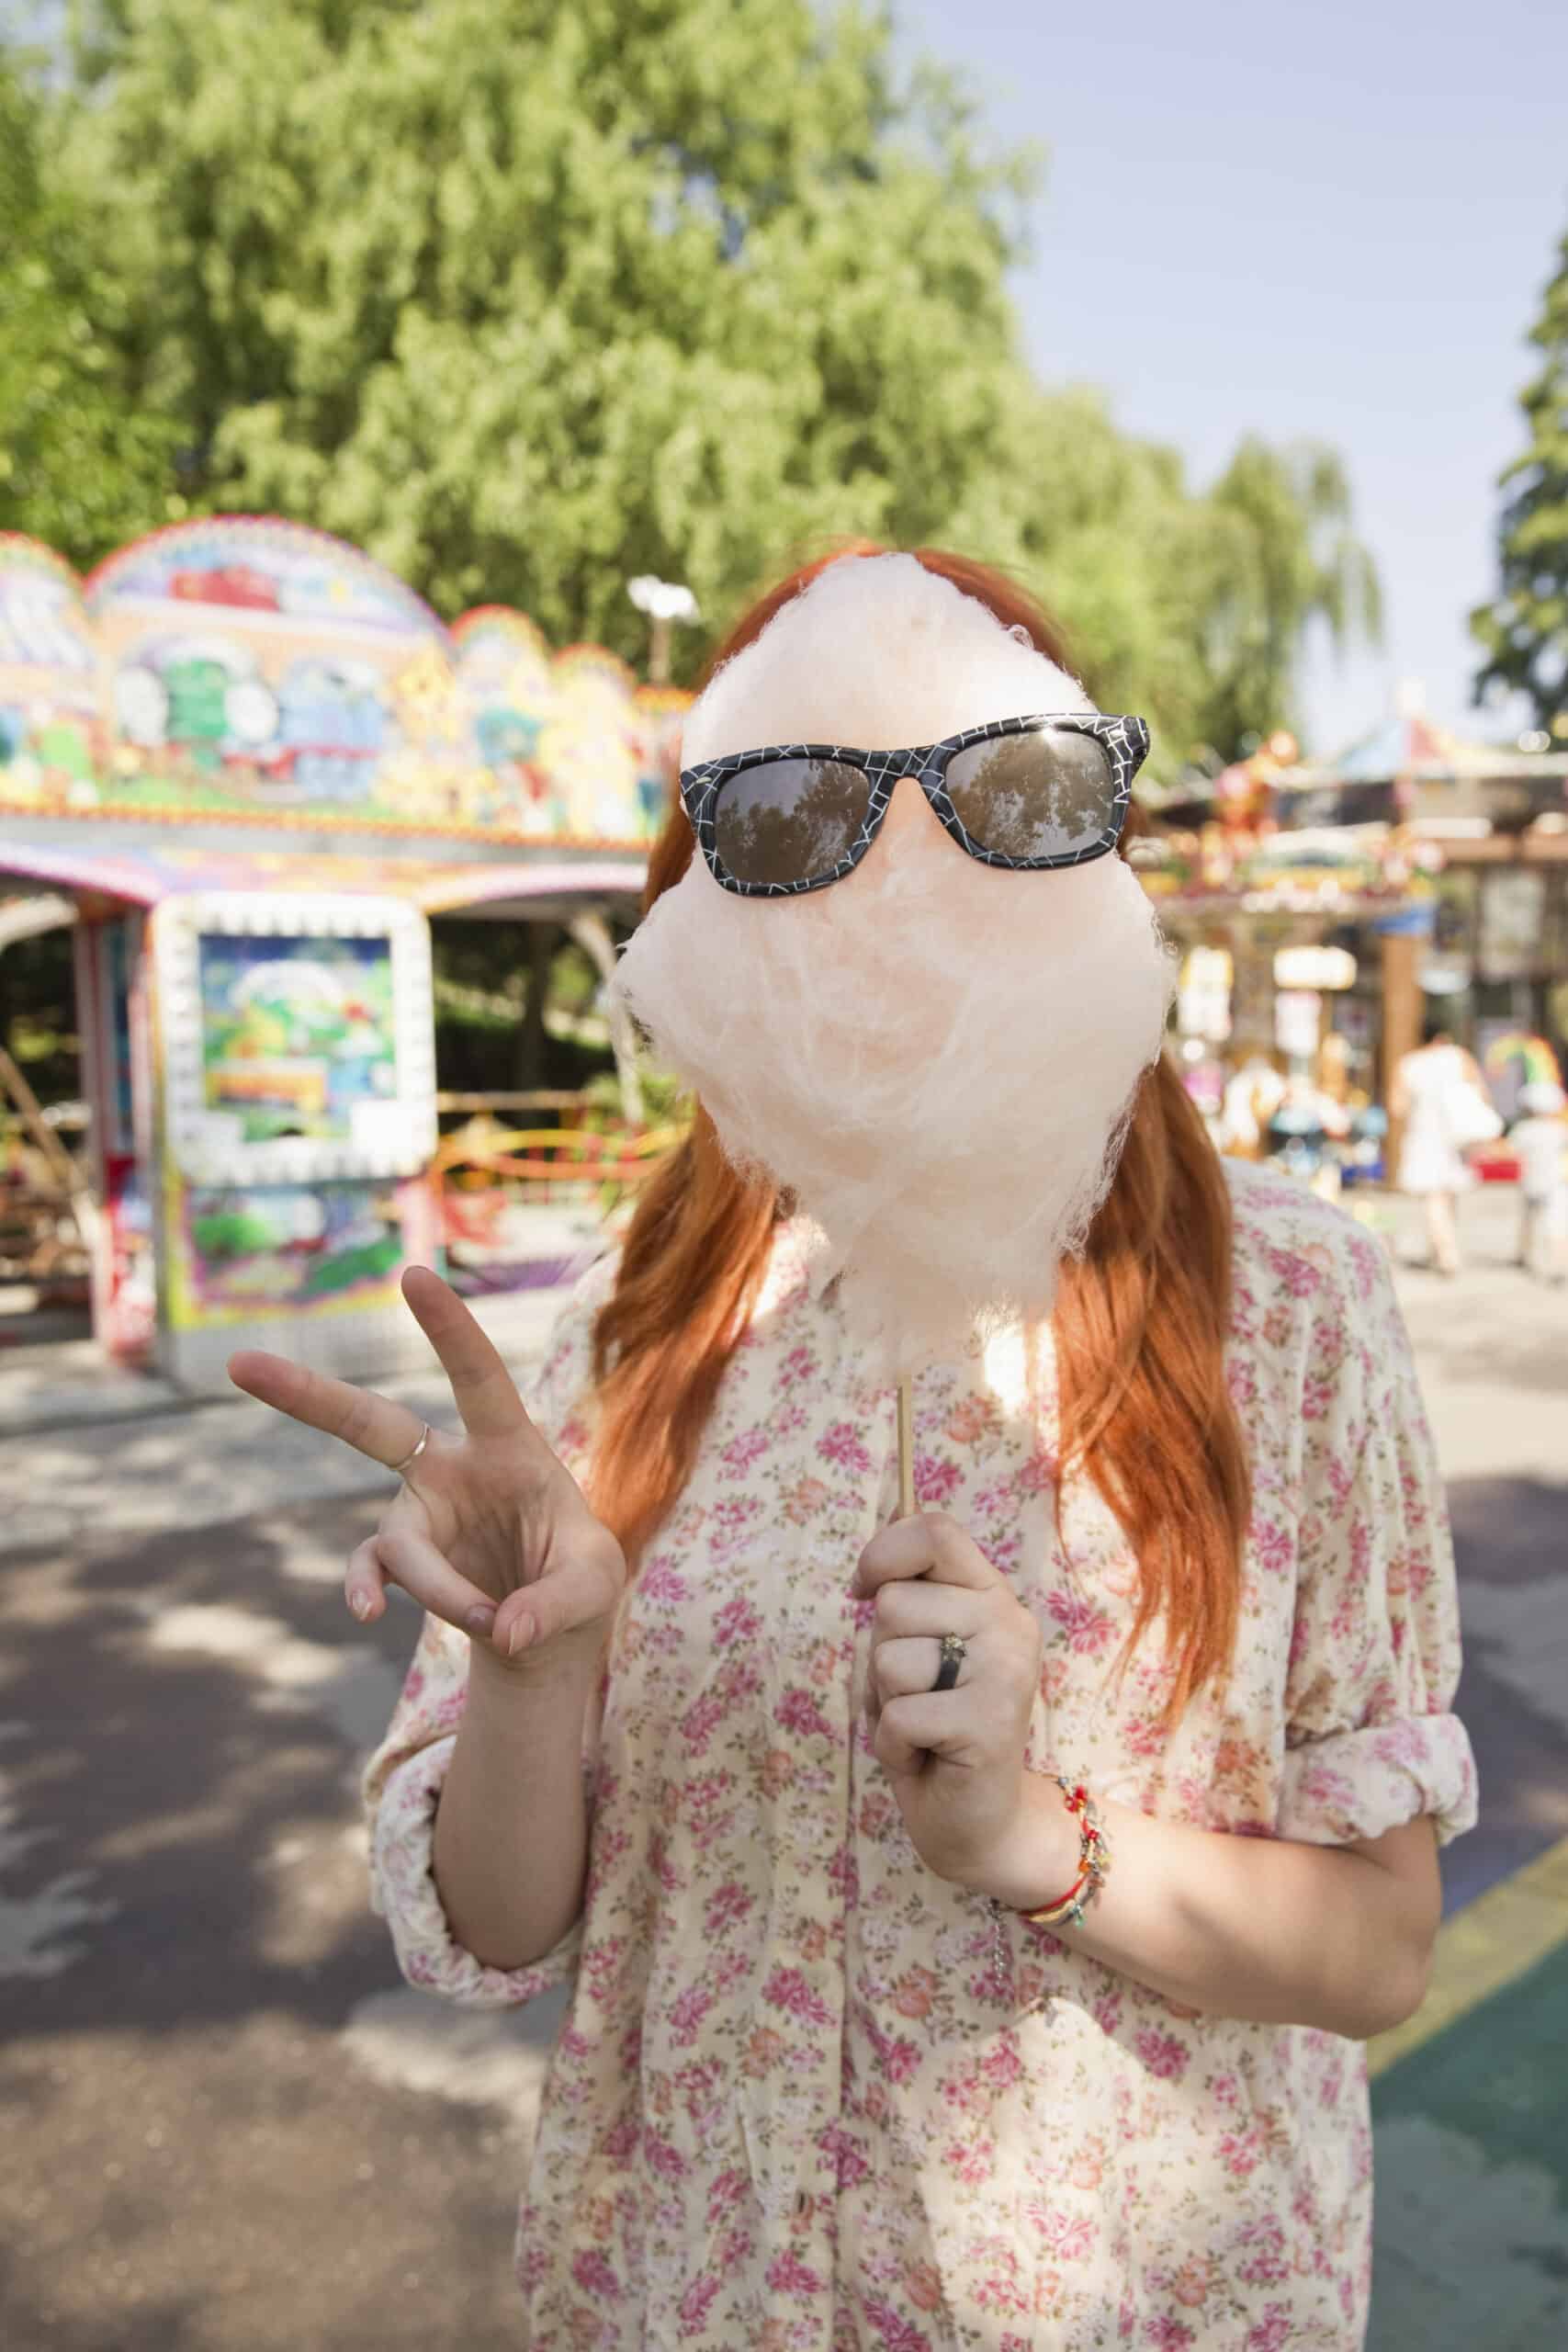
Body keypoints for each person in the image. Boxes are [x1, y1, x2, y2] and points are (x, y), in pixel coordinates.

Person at [231, 549, 1476, 2351]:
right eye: (792, 815)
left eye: (1011, 801)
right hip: (686, 2285)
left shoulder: (1283, 1302)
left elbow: (1378, 1944)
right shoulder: (617, 1325)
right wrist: (542, 1661)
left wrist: (1021, 1829)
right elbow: (504, 1928)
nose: (903, 882)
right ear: (700, 904)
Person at [1389, 1016, 1492, 1275]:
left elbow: (1397, 1106)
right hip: (1456, 1135)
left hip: (1424, 1134)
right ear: (1443, 1036)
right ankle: (1444, 1250)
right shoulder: (1459, 1057)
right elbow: (1481, 1093)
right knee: (1448, 1193)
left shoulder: (1409, 1064)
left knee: (1434, 1196)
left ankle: (1444, 1251)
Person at [1510, 1080, 1568, 1284]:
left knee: (1528, 1222)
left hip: (1531, 1182)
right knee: (1556, 1224)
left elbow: (1512, 1150)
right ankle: (1557, 1263)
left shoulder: (1524, 1129)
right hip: (1556, 1182)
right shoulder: (1560, 1129)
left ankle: (1524, 1254)